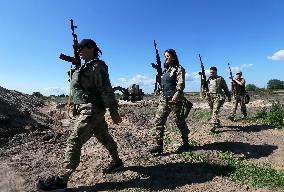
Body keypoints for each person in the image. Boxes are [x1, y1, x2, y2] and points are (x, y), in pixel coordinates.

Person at [37, 39, 124, 191]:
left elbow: (106, 89)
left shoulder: (97, 66)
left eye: (81, 48)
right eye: (77, 49)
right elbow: (80, 87)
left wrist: (114, 112)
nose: (78, 51)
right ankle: (117, 162)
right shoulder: (84, 67)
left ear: (91, 48)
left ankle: (61, 181)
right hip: (91, 109)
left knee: (74, 141)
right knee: (104, 136)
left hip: (91, 109)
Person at [149, 49, 190, 155]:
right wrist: (157, 71)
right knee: (158, 120)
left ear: (173, 57)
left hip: (174, 99)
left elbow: (181, 83)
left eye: (167, 56)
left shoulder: (179, 68)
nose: (165, 58)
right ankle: (159, 145)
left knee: (179, 121)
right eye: (165, 56)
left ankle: (186, 143)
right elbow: (161, 83)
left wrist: (177, 93)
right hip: (164, 99)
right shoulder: (165, 71)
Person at [206, 67, 231, 132]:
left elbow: (225, 88)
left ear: (216, 72)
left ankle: (213, 126)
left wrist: (229, 96)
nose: (211, 73)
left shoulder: (220, 79)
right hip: (210, 97)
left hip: (218, 97)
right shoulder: (208, 79)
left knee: (215, 111)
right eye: (210, 72)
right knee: (212, 110)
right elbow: (205, 87)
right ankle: (217, 121)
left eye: (213, 72)